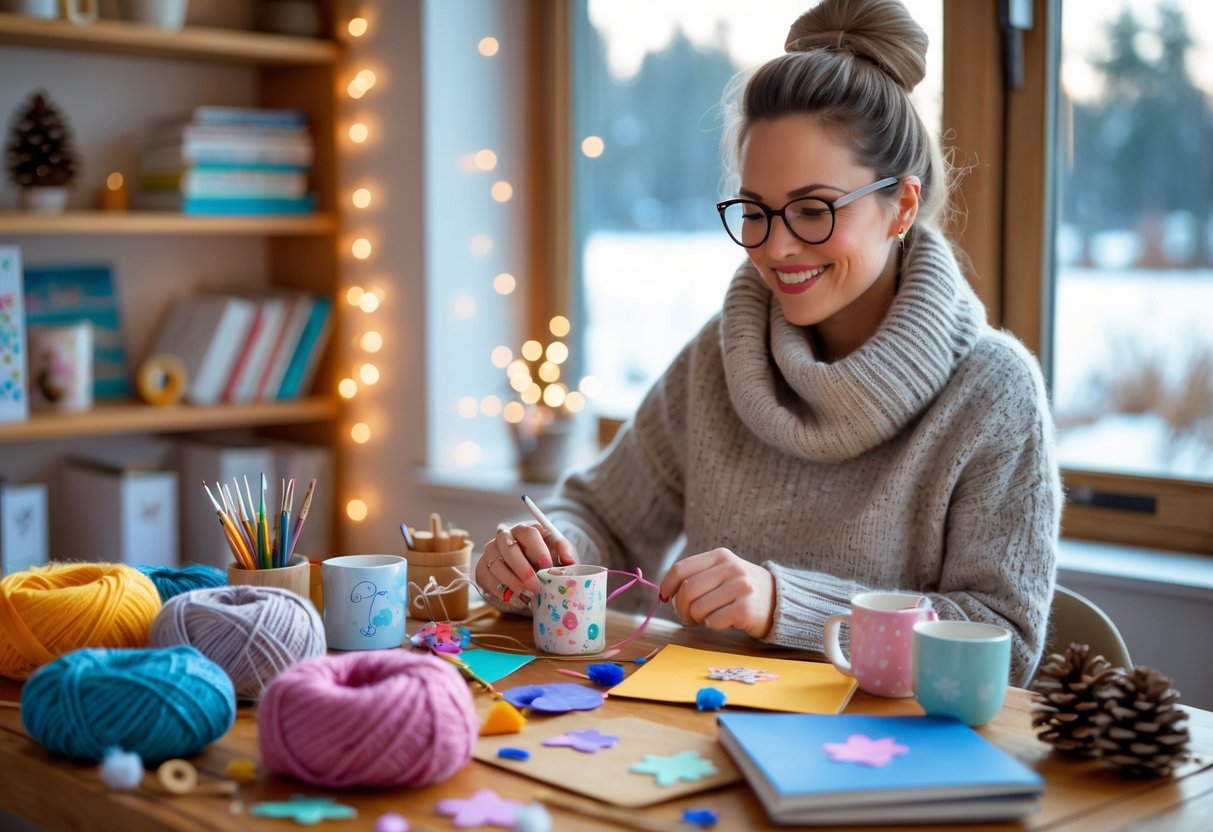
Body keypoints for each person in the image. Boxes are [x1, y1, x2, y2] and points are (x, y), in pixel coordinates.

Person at [475, 0, 1060, 686]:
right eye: (754, 212)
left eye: (812, 211)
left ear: (900, 205)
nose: (776, 247)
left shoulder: (993, 392)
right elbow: (603, 513)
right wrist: (548, 553)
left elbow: (1003, 641)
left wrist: (788, 604)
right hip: (696, 736)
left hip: (879, 765)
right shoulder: (723, 354)